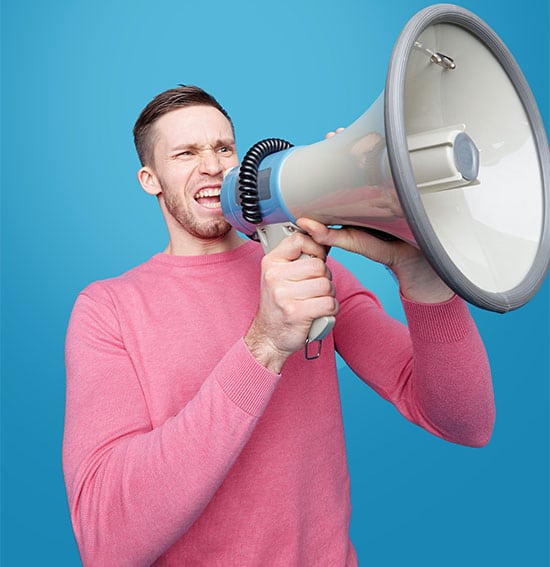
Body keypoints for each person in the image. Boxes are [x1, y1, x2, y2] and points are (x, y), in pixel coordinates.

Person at [62, 85, 495, 567]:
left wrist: (422, 278)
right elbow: (106, 542)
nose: (212, 165)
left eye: (223, 148)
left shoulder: (305, 268)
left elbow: (464, 421)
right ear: (150, 178)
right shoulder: (108, 309)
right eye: (185, 153)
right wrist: (264, 344)